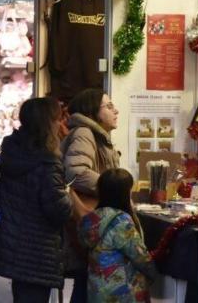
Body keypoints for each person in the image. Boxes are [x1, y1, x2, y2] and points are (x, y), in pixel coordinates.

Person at [0, 97, 73, 303]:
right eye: (58, 119)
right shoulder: (47, 163)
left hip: (14, 242)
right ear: (48, 123)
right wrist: (68, 195)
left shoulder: (13, 150)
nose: (61, 124)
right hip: (37, 250)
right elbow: (58, 210)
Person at [61, 88, 120, 303]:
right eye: (109, 106)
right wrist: (114, 189)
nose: (116, 111)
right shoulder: (85, 134)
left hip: (93, 221)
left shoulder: (98, 136)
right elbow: (76, 173)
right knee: (86, 280)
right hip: (89, 220)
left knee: (87, 281)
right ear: (92, 111)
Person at [77, 168, 156, 302]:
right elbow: (139, 256)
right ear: (124, 193)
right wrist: (153, 273)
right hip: (122, 292)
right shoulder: (121, 221)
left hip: (96, 290)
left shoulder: (90, 219)